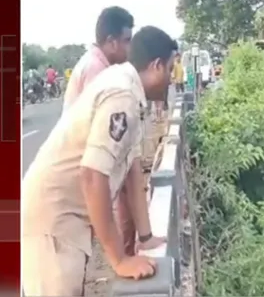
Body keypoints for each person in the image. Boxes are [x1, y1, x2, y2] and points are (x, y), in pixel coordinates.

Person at [21, 26, 178, 296]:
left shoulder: (130, 89)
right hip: (52, 223)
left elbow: (132, 171)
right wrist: (119, 259)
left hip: (68, 223)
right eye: (172, 69)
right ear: (156, 66)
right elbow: (93, 174)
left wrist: (146, 236)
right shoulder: (123, 96)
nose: (174, 79)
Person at [63, 6, 140, 259]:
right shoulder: (98, 70)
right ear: (111, 42)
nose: (130, 50)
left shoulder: (96, 64)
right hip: (79, 166)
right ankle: (121, 257)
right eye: (127, 41)